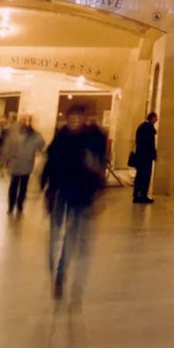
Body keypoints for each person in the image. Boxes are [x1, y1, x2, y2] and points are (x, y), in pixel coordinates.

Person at [43, 105, 109, 303]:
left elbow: (98, 165)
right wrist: (48, 188)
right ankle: (58, 271)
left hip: (82, 195)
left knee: (74, 236)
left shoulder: (90, 139)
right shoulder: (61, 138)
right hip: (63, 192)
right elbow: (51, 163)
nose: (75, 121)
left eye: (79, 117)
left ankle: (63, 272)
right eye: (72, 117)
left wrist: (98, 188)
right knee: (58, 235)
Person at [0, 114, 45, 217]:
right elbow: (8, 146)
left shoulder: (34, 135)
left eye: (28, 121)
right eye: (24, 120)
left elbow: (41, 145)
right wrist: (5, 159)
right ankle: (11, 206)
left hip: (27, 163)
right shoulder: (15, 133)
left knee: (23, 187)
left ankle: (19, 205)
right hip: (16, 163)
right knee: (14, 186)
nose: (26, 123)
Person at [130, 110, 159, 205]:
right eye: (156, 118)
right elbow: (150, 144)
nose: (157, 120)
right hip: (146, 157)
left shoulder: (141, 126)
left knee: (139, 176)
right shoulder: (148, 128)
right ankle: (142, 196)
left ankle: (136, 195)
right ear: (152, 118)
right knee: (145, 176)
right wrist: (154, 155)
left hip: (140, 155)